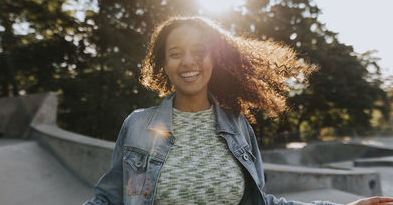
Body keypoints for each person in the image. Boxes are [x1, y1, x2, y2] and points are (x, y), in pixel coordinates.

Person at [84, 16, 393, 205]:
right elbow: (109, 200)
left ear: (213, 61)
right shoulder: (138, 125)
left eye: (199, 52)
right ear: (164, 65)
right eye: (176, 54)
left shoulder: (237, 127)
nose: (188, 62)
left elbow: (263, 202)